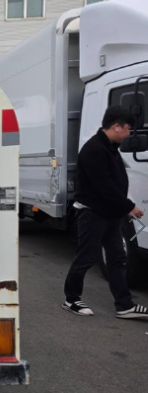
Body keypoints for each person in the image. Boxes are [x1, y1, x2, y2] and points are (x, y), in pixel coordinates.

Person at [63, 106, 147, 318]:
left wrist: (122, 208)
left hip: (110, 214)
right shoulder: (94, 150)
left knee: (117, 258)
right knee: (86, 257)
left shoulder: (109, 147)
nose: (129, 133)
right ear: (117, 126)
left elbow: (113, 184)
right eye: (128, 128)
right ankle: (71, 299)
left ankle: (124, 305)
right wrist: (128, 206)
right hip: (92, 213)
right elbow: (104, 186)